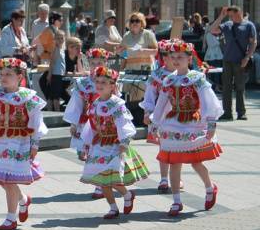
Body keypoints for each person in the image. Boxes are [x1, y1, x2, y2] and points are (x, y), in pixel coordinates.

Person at [151, 40, 223, 217]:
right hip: (174, 123)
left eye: (180, 57)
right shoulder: (168, 79)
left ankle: (209, 187)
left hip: (192, 122)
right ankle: (176, 201)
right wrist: (155, 122)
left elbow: (208, 99)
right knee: (174, 162)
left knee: (196, 162)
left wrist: (211, 122)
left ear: (189, 58)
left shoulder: (196, 78)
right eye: (173, 57)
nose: (176, 60)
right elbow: (161, 103)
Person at [0, 57, 47, 230]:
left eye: (8, 74)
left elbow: (36, 121)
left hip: (19, 142)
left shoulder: (28, 98)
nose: (3, 77)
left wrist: (35, 145)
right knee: (1, 178)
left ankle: (11, 218)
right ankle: (23, 199)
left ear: (19, 76)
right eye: (1, 74)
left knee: (8, 181)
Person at [80, 66, 149, 219]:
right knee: (102, 179)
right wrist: (86, 144)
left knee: (113, 178)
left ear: (112, 85)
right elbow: (91, 126)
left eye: (103, 82)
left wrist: (124, 141)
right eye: (97, 81)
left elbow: (124, 123)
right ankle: (112, 207)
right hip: (100, 145)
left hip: (115, 145)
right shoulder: (95, 104)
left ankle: (127, 194)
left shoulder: (117, 104)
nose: (99, 85)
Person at [63, 47, 109, 200]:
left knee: (101, 152)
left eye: (100, 62)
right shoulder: (83, 83)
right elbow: (76, 104)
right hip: (87, 123)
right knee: (90, 154)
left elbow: (116, 103)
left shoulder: (110, 81)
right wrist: (74, 123)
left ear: (106, 63)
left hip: (105, 124)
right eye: (93, 62)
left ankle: (101, 185)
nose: (96, 65)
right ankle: (99, 183)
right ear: (88, 63)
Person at [139, 40, 179, 194]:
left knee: (177, 147)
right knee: (164, 146)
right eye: (170, 56)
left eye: (177, 56)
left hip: (180, 115)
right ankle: (163, 178)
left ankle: (177, 176)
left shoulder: (184, 74)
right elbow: (149, 96)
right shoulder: (157, 75)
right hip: (162, 115)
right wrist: (147, 112)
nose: (174, 60)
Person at [210, 5, 257, 120]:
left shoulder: (248, 25)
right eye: (229, 16)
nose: (231, 18)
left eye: (233, 15)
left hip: (240, 61)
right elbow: (212, 30)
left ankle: (241, 112)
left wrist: (247, 57)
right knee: (226, 87)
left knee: (240, 87)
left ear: (239, 13)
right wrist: (221, 16)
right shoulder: (227, 25)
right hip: (227, 60)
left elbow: (253, 43)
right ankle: (227, 112)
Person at [37, 11, 64, 102]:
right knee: (45, 80)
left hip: (54, 59)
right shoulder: (48, 30)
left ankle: (51, 101)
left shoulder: (55, 30)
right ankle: (48, 101)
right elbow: (39, 43)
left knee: (51, 81)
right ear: (54, 20)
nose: (61, 22)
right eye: (60, 20)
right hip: (47, 59)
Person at [47, 29, 67, 111]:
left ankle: (50, 111)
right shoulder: (56, 49)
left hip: (60, 74)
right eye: (58, 38)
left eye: (61, 38)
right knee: (55, 96)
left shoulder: (62, 49)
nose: (60, 40)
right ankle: (57, 112)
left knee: (52, 95)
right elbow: (52, 62)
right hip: (56, 74)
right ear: (55, 39)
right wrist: (49, 74)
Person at [203, 24, 224, 91]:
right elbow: (213, 44)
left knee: (217, 73)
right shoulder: (208, 35)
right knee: (214, 73)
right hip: (212, 56)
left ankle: (217, 87)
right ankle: (214, 87)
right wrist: (220, 40)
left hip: (218, 56)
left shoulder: (216, 35)